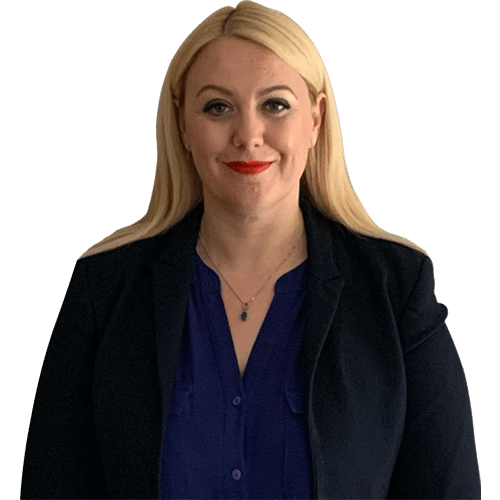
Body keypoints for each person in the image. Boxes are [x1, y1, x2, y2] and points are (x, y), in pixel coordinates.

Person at [21, 1, 481, 498]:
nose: (248, 135)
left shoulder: (397, 290)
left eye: (275, 105)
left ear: (316, 118)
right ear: (182, 124)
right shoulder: (104, 288)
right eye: (217, 107)